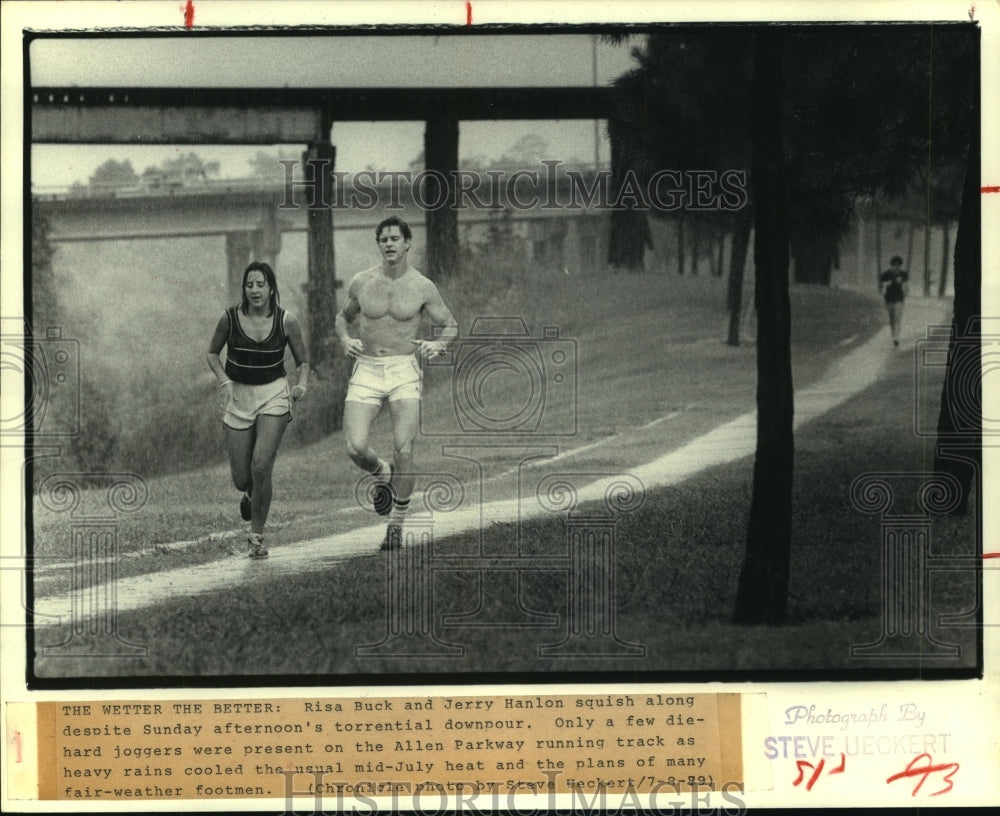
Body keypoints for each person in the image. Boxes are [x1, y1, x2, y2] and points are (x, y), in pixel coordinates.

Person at [335, 215, 458, 551]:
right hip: (368, 368)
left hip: (404, 369)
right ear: (379, 245)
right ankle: (383, 474)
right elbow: (342, 318)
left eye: (394, 239)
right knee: (355, 448)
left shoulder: (422, 286)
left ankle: (396, 527)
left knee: (404, 448)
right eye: (383, 239)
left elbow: (450, 325)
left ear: (407, 243)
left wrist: (438, 344)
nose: (388, 244)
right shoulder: (362, 282)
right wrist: (345, 339)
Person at [206, 261, 309, 559]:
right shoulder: (229, 319)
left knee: (261, 466)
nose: (255, 290)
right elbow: (212, 353)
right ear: (244, 289)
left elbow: (303, 361)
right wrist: (224, 380)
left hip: (273, 394)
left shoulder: (287, 321)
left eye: (260, 284)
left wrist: (302, 384)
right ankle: (252, 493)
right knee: (242, 478)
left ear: (271, 288)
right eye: (249, 285)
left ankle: (256, 538)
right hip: (239, 396)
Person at [879, 255, 909, 347]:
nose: (896, 267)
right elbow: (881, 285)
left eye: (898, 265)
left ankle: (896, 337)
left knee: (897, 317)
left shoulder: (903, 274)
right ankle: (893, 333)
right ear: (891, 265)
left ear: (900, 266)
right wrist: (889, 283)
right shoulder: (886, 274)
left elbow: (905, 285)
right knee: (891, 318)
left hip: (899, 298)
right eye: (894, 265)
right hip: (888, 298)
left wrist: (905, 290)